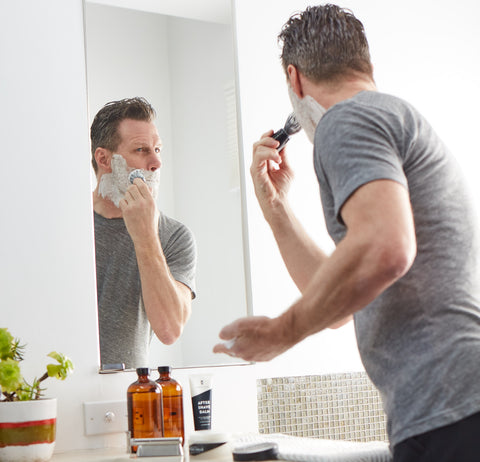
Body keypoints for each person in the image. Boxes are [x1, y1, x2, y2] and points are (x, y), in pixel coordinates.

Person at [213, 5, 480, 460]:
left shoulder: (347, 119)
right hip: (450, 406)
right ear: (365, 63)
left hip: (449, 409)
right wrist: (276, 210)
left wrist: (283, 331)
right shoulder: (389, 116)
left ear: (295, 80)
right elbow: (344, 305)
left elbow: (385, 247)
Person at [91, 97, 196, 370]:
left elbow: (170, 330)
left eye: (158, 149)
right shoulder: (68, 225)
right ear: (104, 159)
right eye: (141, 150)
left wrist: (146, 235)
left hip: (129, 395)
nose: (156, 162)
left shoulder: (173, 236)